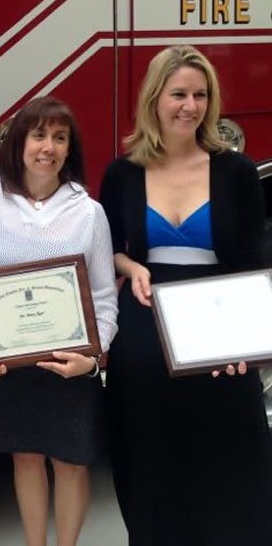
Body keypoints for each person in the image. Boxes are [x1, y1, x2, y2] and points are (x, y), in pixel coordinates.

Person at [99, 45, 272, 546]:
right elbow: (106, 249)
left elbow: (250, 259)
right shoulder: (122, 172)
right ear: (155, 98)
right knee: (150, 453)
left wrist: (242, 341)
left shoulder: (236, 171)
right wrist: (130, 265)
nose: (189, 106)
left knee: (230, 453)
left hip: (217, 324)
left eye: (200, 95)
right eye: (178, 94)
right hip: (146, 323)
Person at [0, 96, 118, 546]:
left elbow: (106, 298)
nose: (47, 147)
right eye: (38, 135)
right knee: (26, 458)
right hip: (9, 363)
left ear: (70, 149)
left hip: (69, 361)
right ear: (18, 143)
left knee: (71, 461)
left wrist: (92, 359)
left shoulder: (88, 212)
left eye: (59, 137)